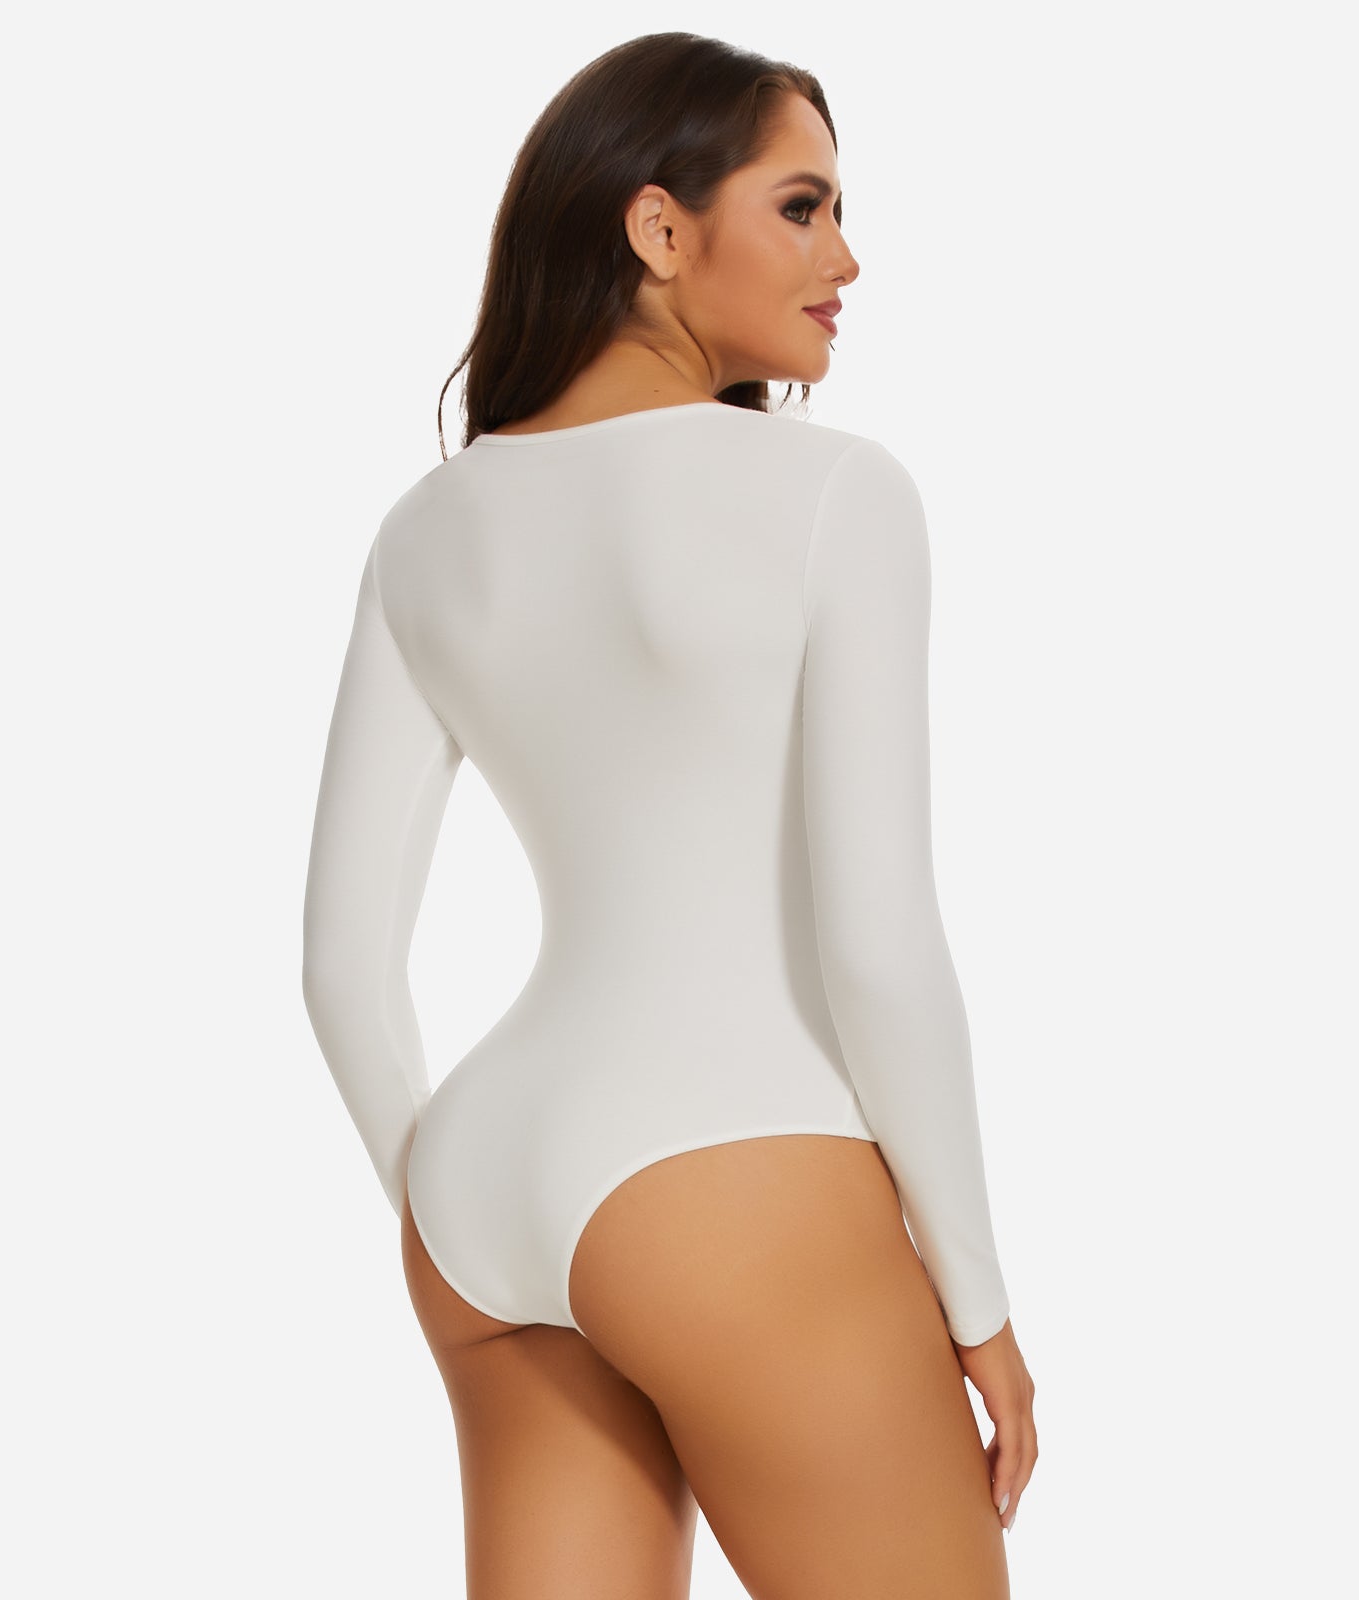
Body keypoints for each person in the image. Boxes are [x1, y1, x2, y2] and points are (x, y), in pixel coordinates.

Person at [302, 30, 1039, 1599]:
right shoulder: (837, 494)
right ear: (658, 228)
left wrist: (459, 1213)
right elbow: (879, 947)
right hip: (736, 1173)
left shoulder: (425, 532)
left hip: (483, 1187)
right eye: (802, 206)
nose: (847, 258)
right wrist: (979, 1305)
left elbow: (342, 969)